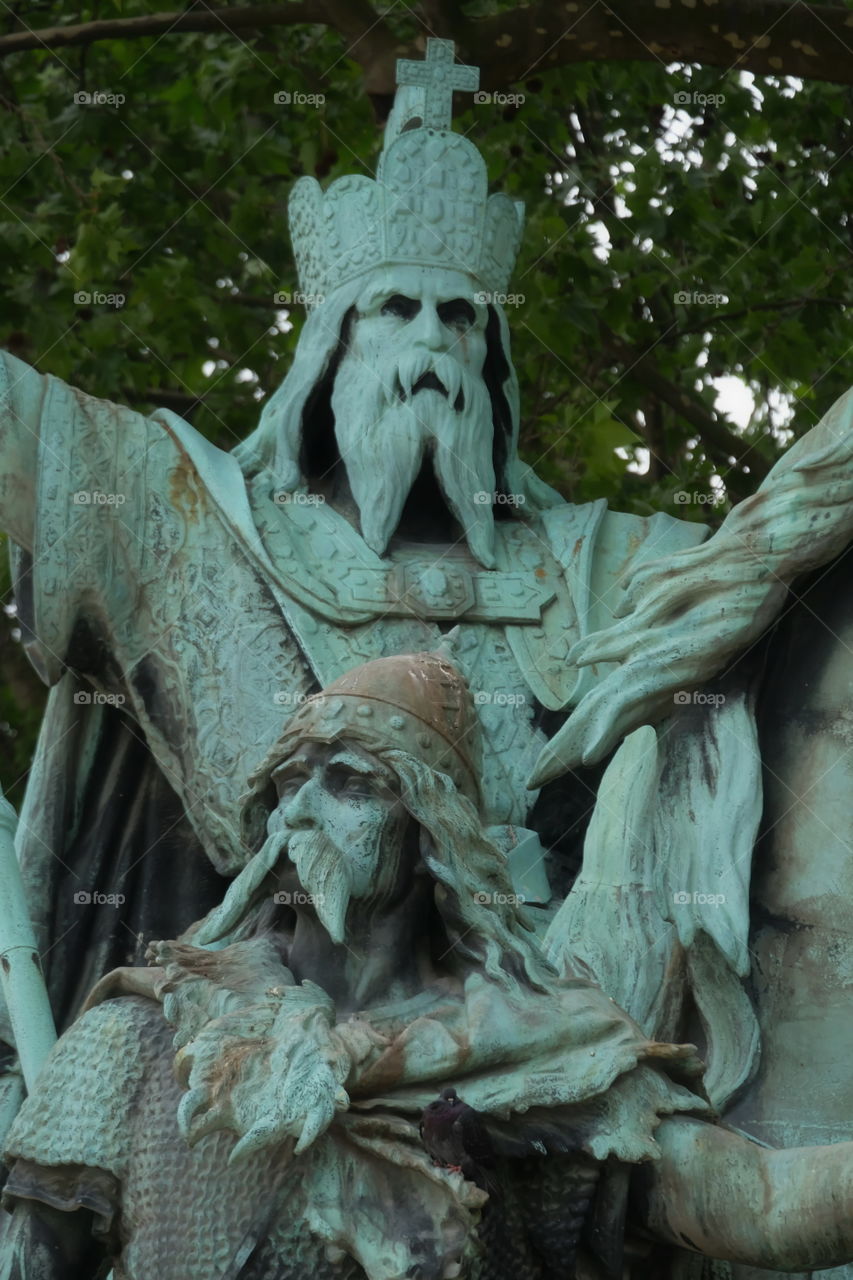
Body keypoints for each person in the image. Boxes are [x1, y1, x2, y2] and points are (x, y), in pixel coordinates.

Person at [4, 653, 853, 1280]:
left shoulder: (546, 1062)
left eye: (346, 782)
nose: (297, 812)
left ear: (429, 837)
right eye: (287, 786)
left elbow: (761, 1206)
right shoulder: (139, 1042)